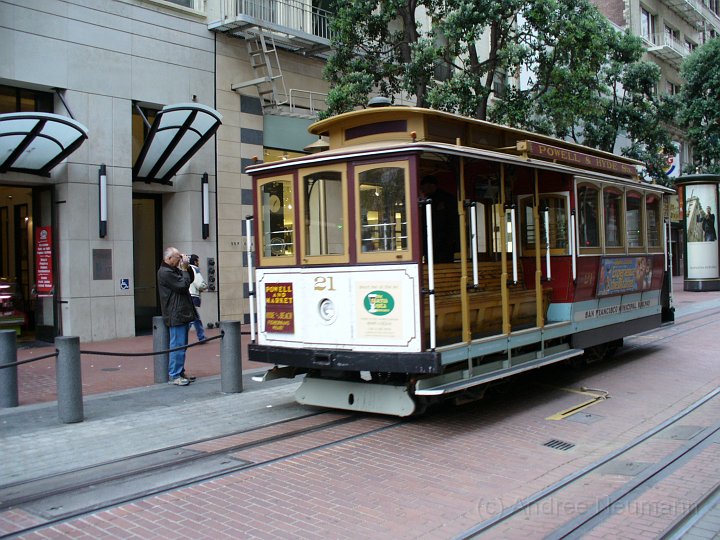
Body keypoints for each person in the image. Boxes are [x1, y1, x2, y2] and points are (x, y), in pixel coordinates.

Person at [157, 246, 198, 386]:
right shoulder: (165, 272)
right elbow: (182, 286)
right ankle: (175, 374)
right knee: (177, 345)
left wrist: (187, 268)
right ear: (168, 259)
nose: (180, 259)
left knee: (182, 346)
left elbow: (189, 280)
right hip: (176, 314)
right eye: (177, 257)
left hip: (181, 313)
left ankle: (180, 371)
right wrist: (184, 269)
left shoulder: (173, 270)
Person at [420, 175, 459, 263]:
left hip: (440, 240)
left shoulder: (434, 200)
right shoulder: (447, 197)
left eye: (424, 188)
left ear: (431, 186)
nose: (423, 190)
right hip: (444, 241)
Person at [187, 254, 208, 342]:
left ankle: (201, 336)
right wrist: (205, 286)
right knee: (192, 319)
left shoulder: (186, 268)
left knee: (195, 317)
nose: (199, 263)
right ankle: (201, 337)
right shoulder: (195, 269)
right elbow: (199, 284)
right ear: (195, 261)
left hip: (188, 294)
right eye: (198, 261)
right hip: (193, 295)